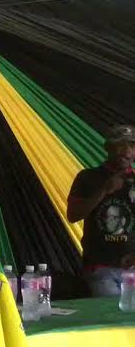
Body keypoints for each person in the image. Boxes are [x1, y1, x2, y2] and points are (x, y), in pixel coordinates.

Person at [67, 124, 135, 297]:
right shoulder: (87, 177)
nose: (127, 151)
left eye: (132, 146)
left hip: (132, 269)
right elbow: (73, 215)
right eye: (121, 145)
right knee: (110, 311)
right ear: (108, 148)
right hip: (100, 268)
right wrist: (104, 190)